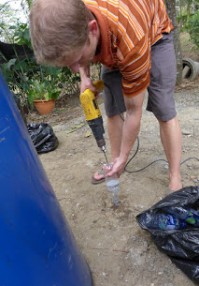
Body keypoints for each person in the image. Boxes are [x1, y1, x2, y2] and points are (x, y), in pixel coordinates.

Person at [29, 0, 183, 192]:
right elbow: (76, 44)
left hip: (153, 34)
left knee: (163, 108)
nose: (74, 68)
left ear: (92, 29)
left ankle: (174, 176)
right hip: (111, 34)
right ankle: (115, 164)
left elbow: (134, 111)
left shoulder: (130, 42)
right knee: (112, 108)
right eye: (69, 64)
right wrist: (84, 76)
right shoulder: (75, 13)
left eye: (77, 61)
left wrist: (125, 154)